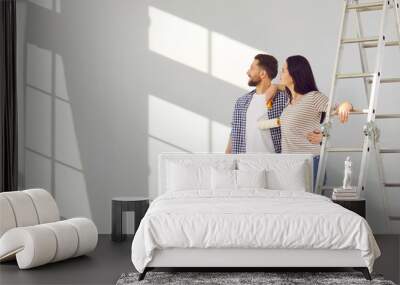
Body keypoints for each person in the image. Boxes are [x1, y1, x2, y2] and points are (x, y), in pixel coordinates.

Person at [278, 55, 353, 189]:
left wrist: (346, 105)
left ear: (295, 73)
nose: (280, 73)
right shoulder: (289, 102)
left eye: (283, 70)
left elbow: (339, 107)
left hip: (309, 164)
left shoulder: (313, 97)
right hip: (290, 165)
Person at [225, 54, 288, 154]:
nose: (247, 72)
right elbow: (234, 132)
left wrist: (277, 86)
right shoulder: (241, 102)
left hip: (273, 164)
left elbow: (300, 91)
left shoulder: (283, 99)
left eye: (252, 68)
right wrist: (227, 158)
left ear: (262, 74)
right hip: (244, 164)